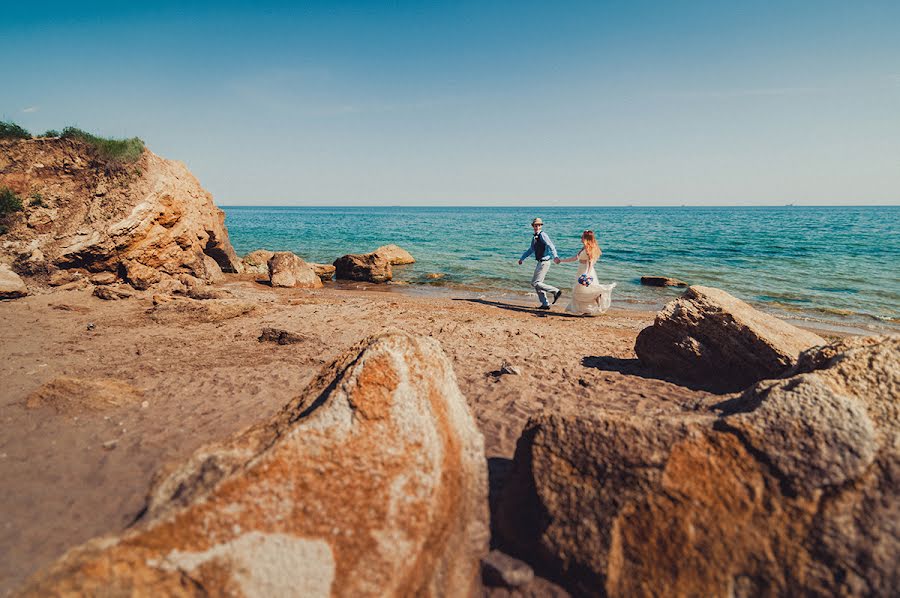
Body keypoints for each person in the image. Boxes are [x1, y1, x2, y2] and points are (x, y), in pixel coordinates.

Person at [559, 230, 616, 316]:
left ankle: (598, 301)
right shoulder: (584, 247)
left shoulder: (589, 249)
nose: (580, 238)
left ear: (586, 238)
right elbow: (575, 258)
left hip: (586, 271)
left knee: (588, 290)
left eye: (582, 237)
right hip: (581, 269)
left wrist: (587, 274)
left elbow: (591, 262)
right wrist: (561, 261)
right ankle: (586, 310)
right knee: (581, 291)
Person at [518, 217, 562, 310]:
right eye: (535, 225)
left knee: (535, 283)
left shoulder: (543, 235)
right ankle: (545, 304)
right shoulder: (534, 237)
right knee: (537, 283)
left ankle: (556, 291)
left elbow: (551, 245)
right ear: (533, 226)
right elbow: (531, 249)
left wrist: (556, 256)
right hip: (540, 262)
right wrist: (522, 258)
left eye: (538, 225)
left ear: (541, 226)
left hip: (545, 262)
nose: (536, 227)